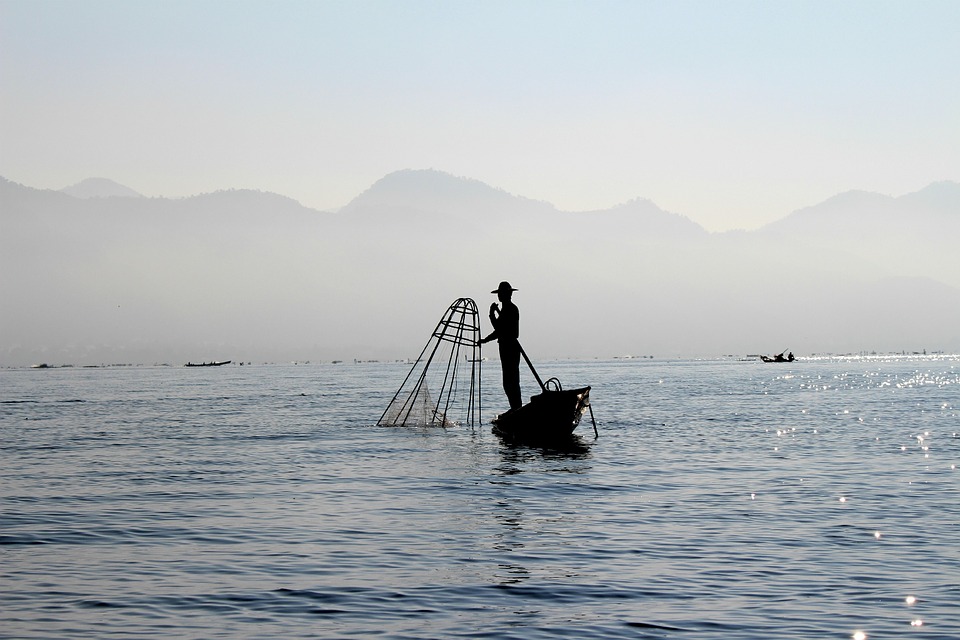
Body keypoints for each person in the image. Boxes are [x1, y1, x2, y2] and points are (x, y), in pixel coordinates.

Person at [479, 281, 522, 411]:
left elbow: (500, 330)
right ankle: (515, 408)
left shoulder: (510, 309)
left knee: (511, 381)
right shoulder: (505, 310)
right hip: (505, 347)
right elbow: (499, 331)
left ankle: (517, 408)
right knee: (509, 381)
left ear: (508, 294)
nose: (499, 296)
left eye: (502, 294)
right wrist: (485, 340)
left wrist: (491, 315)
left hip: (510, 348)